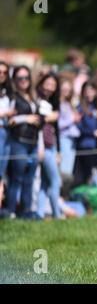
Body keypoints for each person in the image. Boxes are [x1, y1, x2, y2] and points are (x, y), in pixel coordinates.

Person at [7, 66, 42, 218]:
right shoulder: (12, 97)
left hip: (33, 142)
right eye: (20, 78)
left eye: (26, 77)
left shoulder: (33, 97)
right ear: (14, 80)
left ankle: (26, 211)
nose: (23, 81)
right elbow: (9, 119)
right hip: (18, 141)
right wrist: (25, 118)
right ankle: (11, 211)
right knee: (16, 178)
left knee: (29, 179)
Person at [35, 72, 62, 219]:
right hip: (43, 147)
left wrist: (58, 151)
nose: (50, 88)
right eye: (48, 84)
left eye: (53, 85)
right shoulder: (37, 101)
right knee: (56, 181)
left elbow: (56, 130)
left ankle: (39, 214)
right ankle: (57, 214)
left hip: (52, 146)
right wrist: (40, 147)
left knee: (45, 183)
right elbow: (38, 125)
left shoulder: (54, 103)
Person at [0, 61, 15, 205]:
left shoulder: (8, 93)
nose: (2, 75)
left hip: (7, 133)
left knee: (2, 173)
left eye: (5, 72)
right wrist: (5, 113)